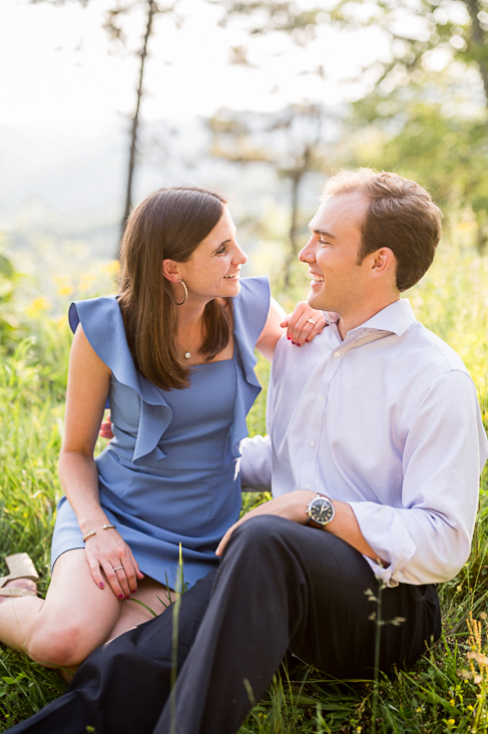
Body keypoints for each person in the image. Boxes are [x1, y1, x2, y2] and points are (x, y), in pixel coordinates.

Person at [4, 169, 487, 734]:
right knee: (100, 654)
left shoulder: (436, 378)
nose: (304, 254)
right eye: (311, 235)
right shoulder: (303, 345)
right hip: (268, 570)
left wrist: (314, 507)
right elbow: (283, 455)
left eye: (325, 241)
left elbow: (447, 544)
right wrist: (174, 452)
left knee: (265, 539)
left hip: (384, 606)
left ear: (379, 261)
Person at [0, 187, 324, 674]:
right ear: (172, 269)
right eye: (221, 249)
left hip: (201, 535)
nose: (241, 257)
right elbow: (74, 453)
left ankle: (93, 610)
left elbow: (313, 363)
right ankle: (16, 594)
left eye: (233, 241)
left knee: (98, 668)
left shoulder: (247, 308)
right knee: (61, 644)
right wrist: (99, 531)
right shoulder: (105, 329)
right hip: (116, 514)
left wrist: (321, 320)